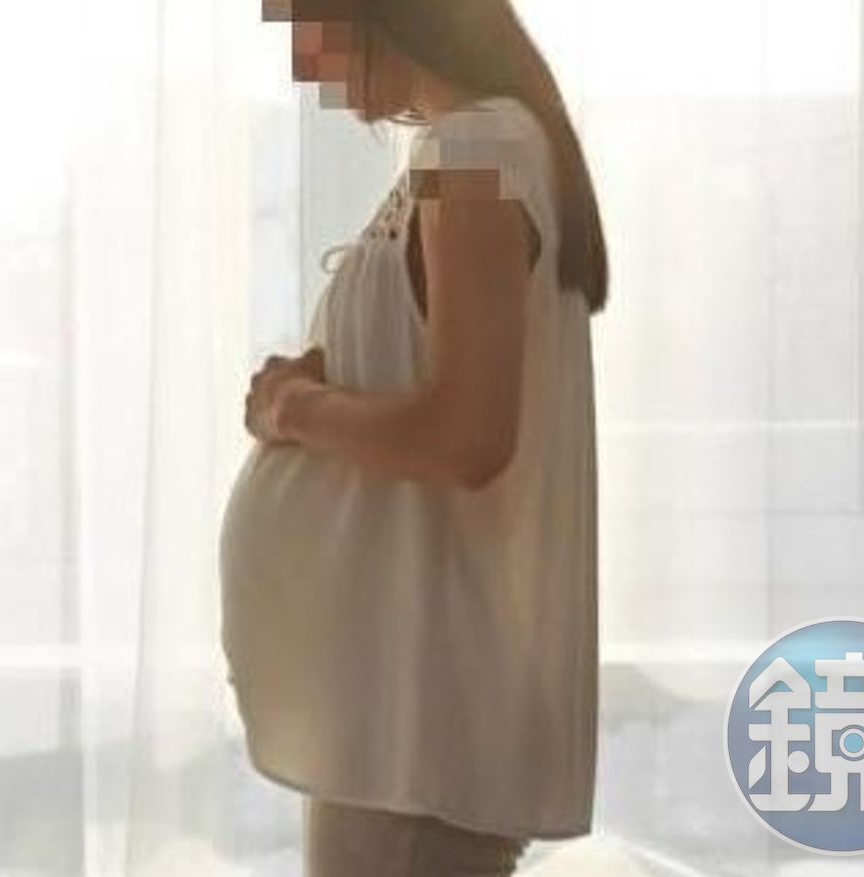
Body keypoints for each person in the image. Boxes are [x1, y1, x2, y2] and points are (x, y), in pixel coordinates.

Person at [218, 1, 609, 874]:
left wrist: (294, 409)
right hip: (401, 711)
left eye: (305, 26)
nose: (303, 65)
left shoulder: (477, 155)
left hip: (420, 720)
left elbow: (466, 436)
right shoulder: (475, 151)